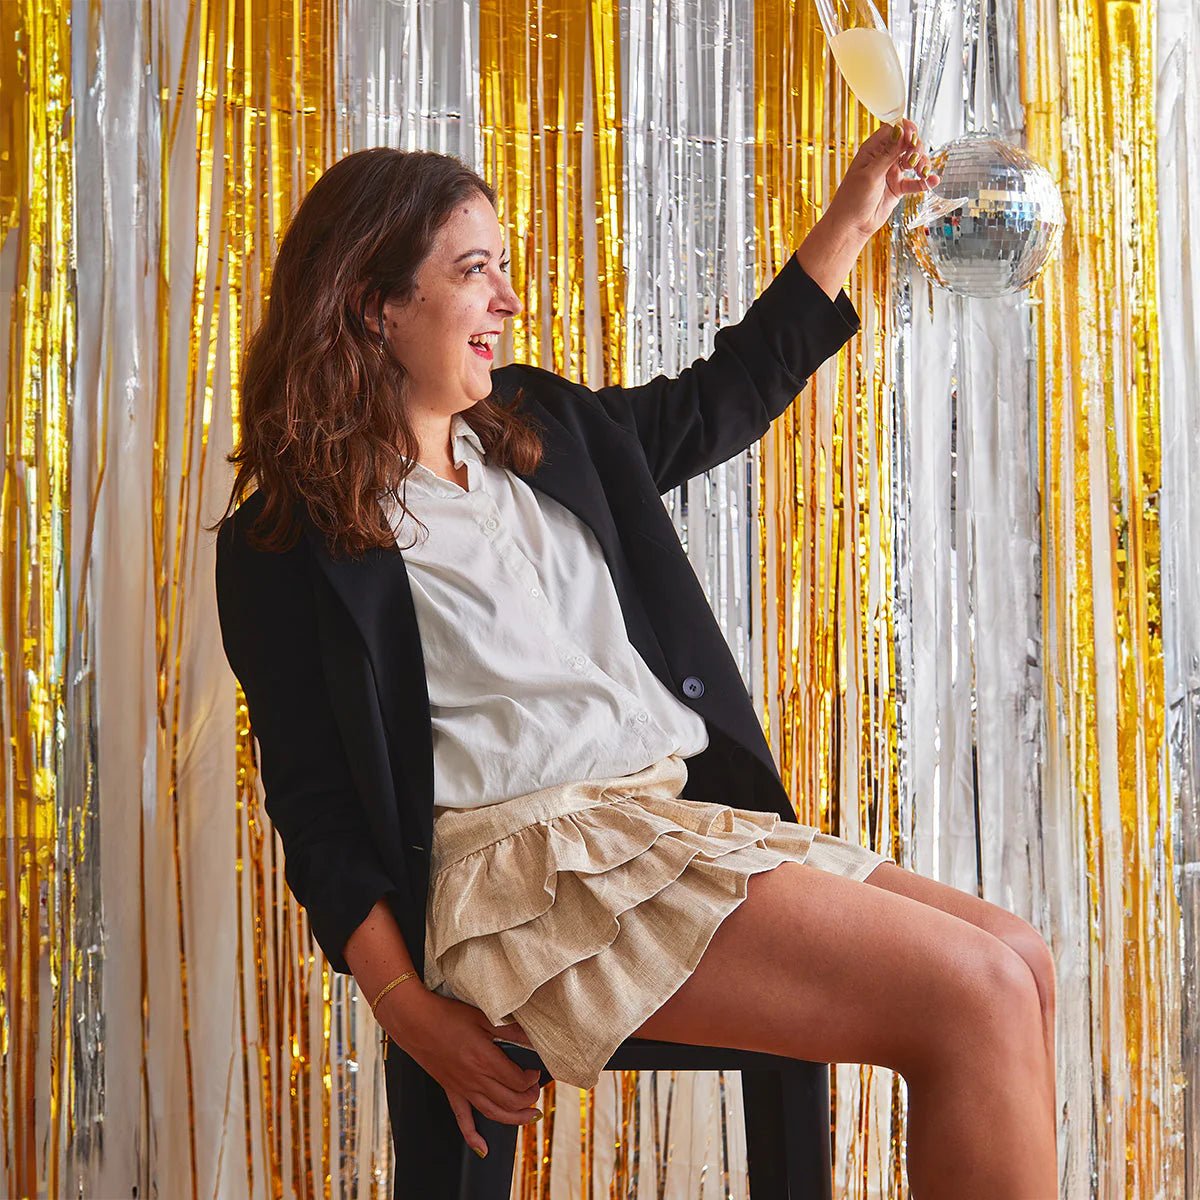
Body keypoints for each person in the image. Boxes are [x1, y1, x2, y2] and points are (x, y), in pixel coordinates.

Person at [214, 119, 1057, 1198]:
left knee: (1020, 958)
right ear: (376, 305)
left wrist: (855, 216)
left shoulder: (542, 428)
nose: (508, 300)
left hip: (664, 827)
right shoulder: (289, 536)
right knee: (979, 991)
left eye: (502, 267)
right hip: (527, 878)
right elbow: (316, 811)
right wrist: (409, 1013)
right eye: (474, 272)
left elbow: (722, 395)